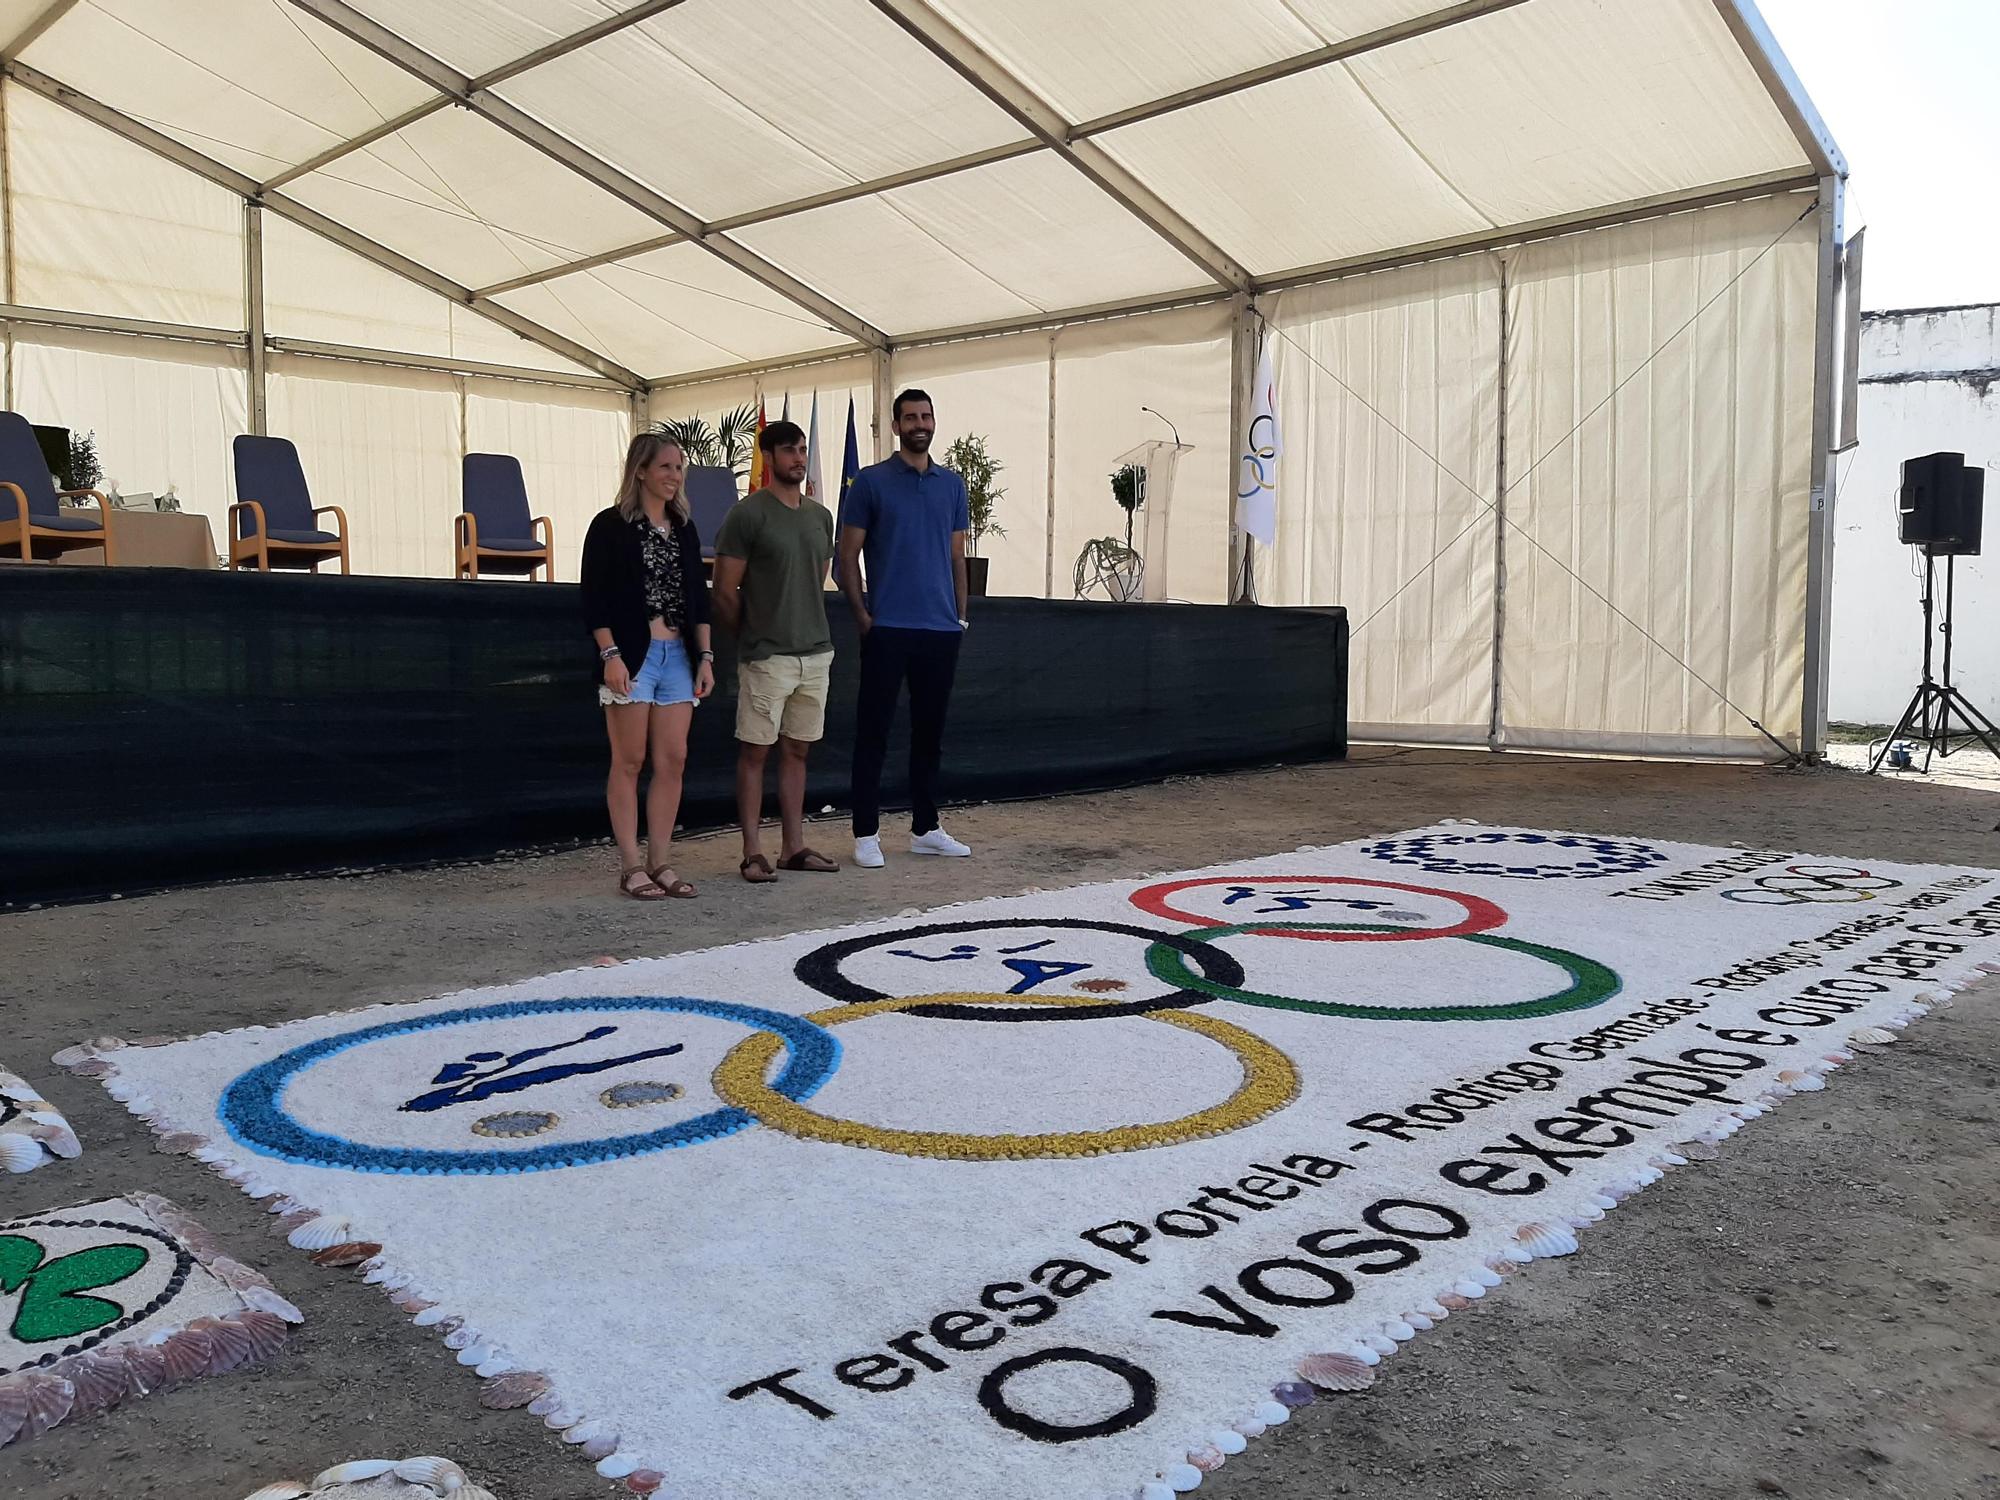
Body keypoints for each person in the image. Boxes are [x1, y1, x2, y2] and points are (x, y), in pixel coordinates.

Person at [836, 388, 972, 869]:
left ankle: (926, 828)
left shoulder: (953, 486)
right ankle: (866, 832)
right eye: (910, 416)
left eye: (926, 415)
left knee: (929, 734)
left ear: (934, 422)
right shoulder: (870, 483)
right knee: (873, 731)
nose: (920, 423)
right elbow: (845, 557)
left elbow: (958, 556)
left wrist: (959, 615)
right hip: (887, 628)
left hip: (940, 631)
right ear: (895, 426)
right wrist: (863, 615)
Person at [580, 432, 714, 900]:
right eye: (665, 467)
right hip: (632, 658)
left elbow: (700, 601)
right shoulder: (609, 526)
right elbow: (593, 599)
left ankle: (661, 861)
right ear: (641, 471)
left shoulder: (685, 529)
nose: (674, 477)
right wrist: (610, 654)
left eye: (679, 469)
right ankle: (630, 864)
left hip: (678, 655)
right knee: (630, 759)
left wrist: (706, 658)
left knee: (672, 758)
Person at [713, 419, 840, 883]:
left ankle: (793, 846)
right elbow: (724, 590)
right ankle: (751, 851)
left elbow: (817, 574)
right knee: (755, 753)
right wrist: (752, 637)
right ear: (768, 457)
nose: (799, 458)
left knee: (799, 751)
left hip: (816, 651)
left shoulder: (820, 516)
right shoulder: (748, 515)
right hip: (767, 655)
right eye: (788, 450)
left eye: (803, 449)